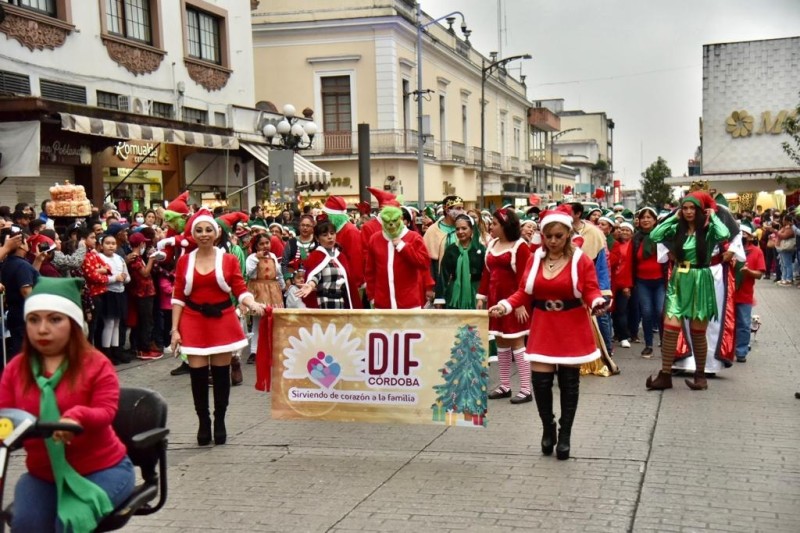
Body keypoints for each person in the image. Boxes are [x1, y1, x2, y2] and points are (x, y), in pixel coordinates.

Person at [0, 277, 135, 532]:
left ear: (73, 324)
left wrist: (77, 417)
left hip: (101, 469)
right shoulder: (15, 369)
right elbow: (5, 417)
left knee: (70, 522)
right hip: (44, 473)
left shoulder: (96, 364)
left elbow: (106, 411)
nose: (42, 329)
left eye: (54, 319)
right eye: (33, 319)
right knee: (26, 524)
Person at [488, 206, 607, 460]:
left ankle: (565, 435)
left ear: (567, 235)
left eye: (558, 236)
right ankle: (547, 428)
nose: (553, 241)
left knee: (568, 383)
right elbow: (524, 291)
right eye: (548, 236)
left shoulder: (580, 260)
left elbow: (590, 289)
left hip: (572, 325)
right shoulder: (536, 258)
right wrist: (506, 305)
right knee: (540, 384)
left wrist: (597, 302)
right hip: (543, 325)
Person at [169, 208, 266, 446]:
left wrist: (251, 302)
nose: (204, 234)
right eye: (199, 230)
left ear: (217, 233)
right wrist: (175, 330)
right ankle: (203, 421)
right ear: (193, 234)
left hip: (222, 318)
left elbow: (239, 288)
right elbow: (178, 296)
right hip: (192, 319)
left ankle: (220, 420)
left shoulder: (229, 259)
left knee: (221, 375)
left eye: (208, 230)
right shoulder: (184, 261)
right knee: (198, 375)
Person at [645, 192, 731, 391]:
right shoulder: (677, 227)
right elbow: (655, 235)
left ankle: (700, 377)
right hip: (679, 279)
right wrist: (673, 217)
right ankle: (665, 374)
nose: (689, 212)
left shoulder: (708, 230)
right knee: (670, 327)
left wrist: (713, 216)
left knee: (697, 331)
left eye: (693, 208)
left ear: (700, 210)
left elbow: (725, 234)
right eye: (685, 208)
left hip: (701, 279)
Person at [476, 208, 533, 404]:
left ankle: (526, 388)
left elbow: (525, 278)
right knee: (500, 341)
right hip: (495, 301)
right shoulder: (492, 244)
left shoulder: (520, 246)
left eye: (494, 223)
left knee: (517, 342)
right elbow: (487, 273)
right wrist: (481, 297)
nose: (491, 226)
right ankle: (504, 385)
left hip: (514, 303)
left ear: (505, 226)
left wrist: (519, 304)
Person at [365, 206, 433, 309]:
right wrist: (372, 297)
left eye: (394, 220)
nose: (391, 224)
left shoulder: (414, 237)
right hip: (383, 303)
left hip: (409, 303)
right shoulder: (375, 239)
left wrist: (403, 247)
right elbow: (370, 271)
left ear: (400, 219)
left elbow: (424, 262)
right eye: (387, 221)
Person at [0, 225, 42, 362]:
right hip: (24, 313)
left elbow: (29, 278)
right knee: (25, 353)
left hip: (15, 312)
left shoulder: (8, 262)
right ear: (21, 245)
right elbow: (26, 290)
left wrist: (38, 261)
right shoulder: (21, 265)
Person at [297, 219, 355, 309]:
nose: (330, 237)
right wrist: (311, 285)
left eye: (332, 233)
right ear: (317, 238)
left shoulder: (341, 256)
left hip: (341, 303)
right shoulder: (315, 256)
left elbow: (348, 283)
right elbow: (315, 275)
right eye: (325, 235)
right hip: (324, 303)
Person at [245, 233, 284, 364]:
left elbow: (278, 273)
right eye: (261, 244)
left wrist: (283, 286)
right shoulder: (251, 258)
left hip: (273, 290)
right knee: (257, 322)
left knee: (272, 320)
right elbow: (249, 272)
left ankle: (272, 349)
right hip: (258, 290)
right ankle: (254, 351)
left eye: (267, 243)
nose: (265, 246)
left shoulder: (273, 256)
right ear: (256, 246)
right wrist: (257, 258)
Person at [434, 214, 486, 310]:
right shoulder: (451, 249)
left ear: (472, 229)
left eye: (464, 228)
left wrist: (481, 298)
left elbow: (486, 275)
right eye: (457, 229)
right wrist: (439, 298)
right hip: (454, 293)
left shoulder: (480, 249)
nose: (460, 232)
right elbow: (443, 275)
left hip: (475, 293)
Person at [321, 196, 364, 308]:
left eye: (327, 216)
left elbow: (356, 259)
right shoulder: (337, 230)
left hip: (349, 283)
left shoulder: (350, 231)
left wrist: (356, 284)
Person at [733, 222, 765, 362]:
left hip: (745, 294)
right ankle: (727, 350)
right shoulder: (731, 249)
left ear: (751, 237)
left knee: (744, 324)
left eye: (744, 233)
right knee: (727, 324)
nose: (741, 236)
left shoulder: (757, 251)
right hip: (728, 294)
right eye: (739, 233)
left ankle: (741, 352)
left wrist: (748, 271)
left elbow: (759, 274)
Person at [98, 233, 130, 365]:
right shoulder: (99, 258)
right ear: (101, 245)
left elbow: (127, 277)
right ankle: (106, 351)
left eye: (113, 243)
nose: (111, 246)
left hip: (119, 292)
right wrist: (114, 279)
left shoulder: (119, 259)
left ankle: (116, 349)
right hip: (108, 293)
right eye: (107, 243)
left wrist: (124, 277)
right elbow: (97, 277)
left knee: (117, 323)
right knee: (109, 323)